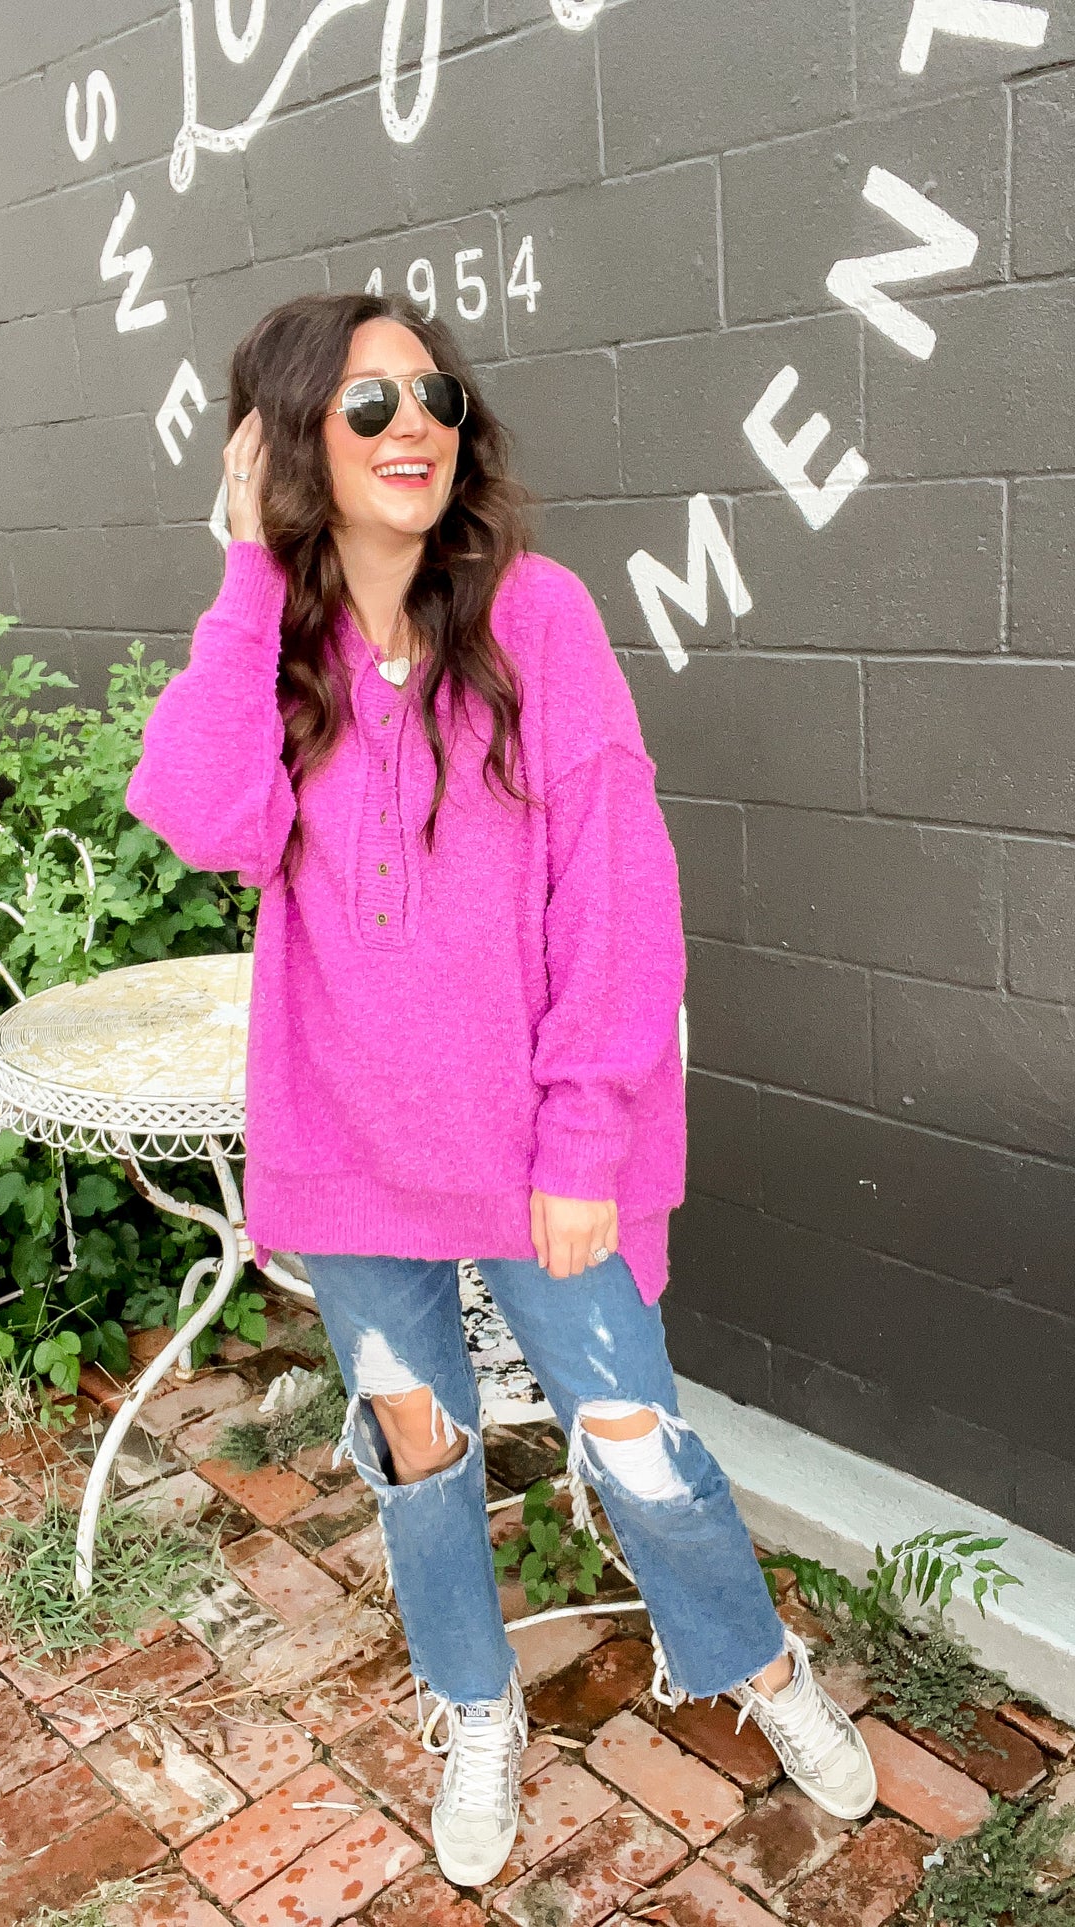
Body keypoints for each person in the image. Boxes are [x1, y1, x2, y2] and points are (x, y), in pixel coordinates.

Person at [124, 290, 877, 1886]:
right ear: (287, 441)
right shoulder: (278, 648)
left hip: (539, 1144)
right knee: (420, 1447)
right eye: (369, 404)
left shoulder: (537, 615)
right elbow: (201, 817)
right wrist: (246, 570)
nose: (415, 427)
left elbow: (617, 897)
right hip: (348, 1140)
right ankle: (476, 1706)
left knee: (632, 1432)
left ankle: (755, 1664)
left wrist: (585, 1133)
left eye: (436, 397)